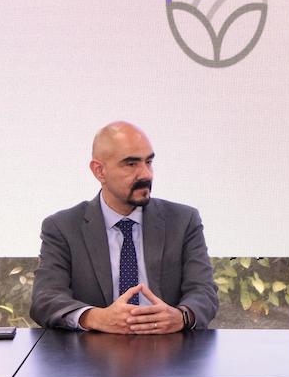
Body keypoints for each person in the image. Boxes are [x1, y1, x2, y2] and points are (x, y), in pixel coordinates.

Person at [30, 121, 218, 333]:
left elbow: (204, 291)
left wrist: (181, 317)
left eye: (149, 162)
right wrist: (96, 318)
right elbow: (46, 298)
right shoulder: (62, 227)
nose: (146, 174)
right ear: (99, 171)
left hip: (168, 346)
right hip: (94, 349)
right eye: (131, 164)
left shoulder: (183, 220)